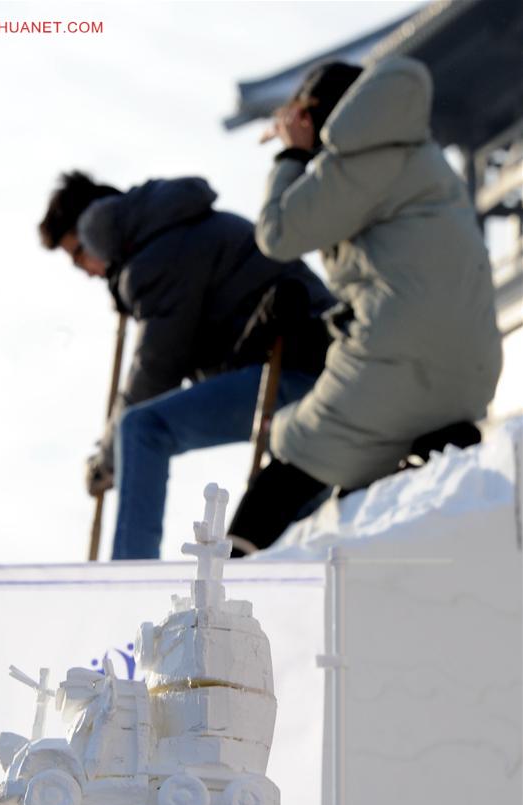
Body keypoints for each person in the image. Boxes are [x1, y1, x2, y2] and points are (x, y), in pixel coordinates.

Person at [227, 58, 503, 552]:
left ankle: (216, 604)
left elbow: (278, 233)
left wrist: (291, 155)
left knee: (292, 460)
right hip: (473, 370)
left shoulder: (357, 156)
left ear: (316, 115)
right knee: (364, 495)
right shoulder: (423, 155)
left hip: (401, 360)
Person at [38, 171, 335, 558]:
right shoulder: (176, 231)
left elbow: (155, 370)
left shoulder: (157, 256)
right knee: (296, 530)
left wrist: (107, 460)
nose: (86, 271)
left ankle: (128, 582)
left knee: (142, 429)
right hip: (326, 378)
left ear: (95, 226)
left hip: (296, 375)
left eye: (77, 254)